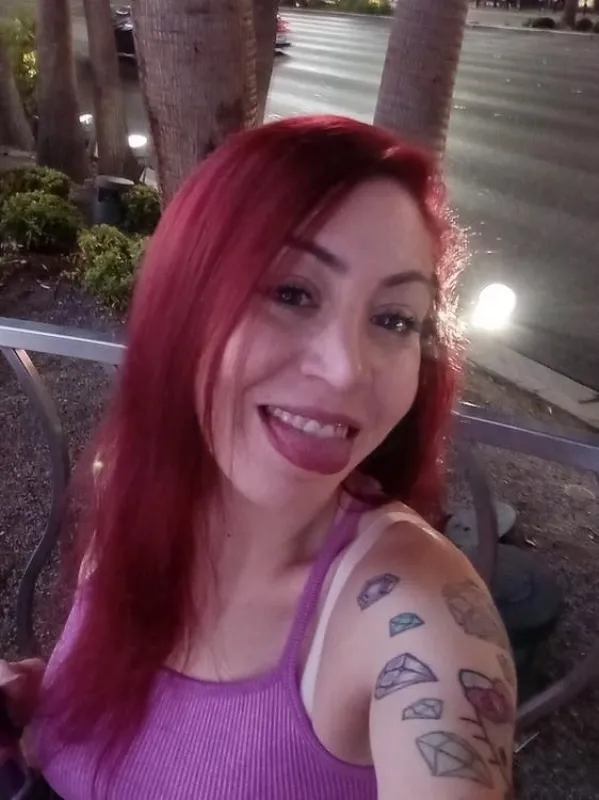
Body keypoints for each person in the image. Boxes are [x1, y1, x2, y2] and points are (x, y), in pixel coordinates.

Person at [1, 116, 516, 799]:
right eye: (292, 293)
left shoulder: (416, 618)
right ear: (184, 300)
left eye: (394, 319)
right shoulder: (130, 481)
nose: (345, 370)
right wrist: (51, 707)